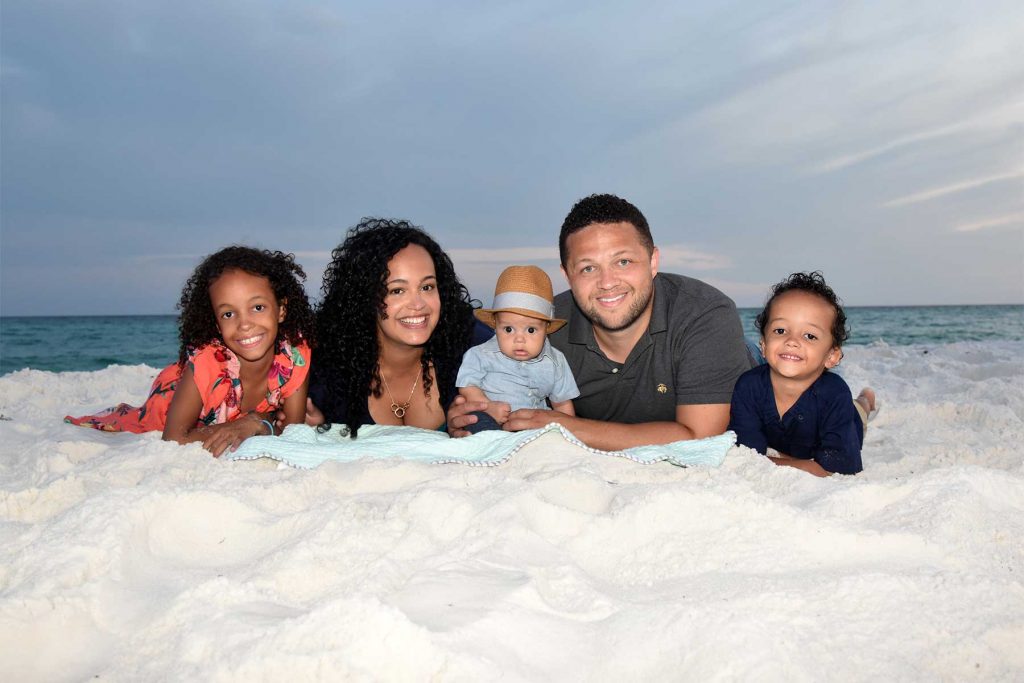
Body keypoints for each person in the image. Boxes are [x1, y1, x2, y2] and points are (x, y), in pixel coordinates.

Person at [449, 193, 753, 449]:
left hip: (741, 360)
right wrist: (470, 414)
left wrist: (565, 427)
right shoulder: (541, 327)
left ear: (653, 261)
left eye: (623, 261)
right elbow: (491, 381)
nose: (608, 282)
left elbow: (701, 439)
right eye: (588, 269)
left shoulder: (704, 314)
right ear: (567, 275)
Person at [65, 246, 315, 456]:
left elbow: (293, 429)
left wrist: (257, 422)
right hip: (169, 402)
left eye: (258, 307)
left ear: (281, 309)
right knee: (138, 421)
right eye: (229, 313)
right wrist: (251, 422)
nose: (245, 324)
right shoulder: (207, 363)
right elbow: (173, 439)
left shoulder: (295, 355)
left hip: (237, 415)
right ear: (217, 323)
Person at [308, 218, 489, 437]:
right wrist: (314, 432)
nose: (418, 304)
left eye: (427, 287)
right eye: (397, 290)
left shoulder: (474, 345)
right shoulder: (325, 369)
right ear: (365, 298)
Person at [728, 271, 875, 476]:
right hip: (792, 444)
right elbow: (747, 455)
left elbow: (841, 467)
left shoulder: (834, 394)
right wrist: (801, 463)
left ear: (831, 356)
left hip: (847, 419)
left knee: (859, 411)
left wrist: (781, 461)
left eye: (809, 336)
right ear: (763, 344)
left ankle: (867, 399)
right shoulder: (748, 386)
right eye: (780, 331)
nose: (792, 341)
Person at [456, 265, 579, 433]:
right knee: (476, 420)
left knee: (552, 430)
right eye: (508, 329)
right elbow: (467, 385)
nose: (519, 339)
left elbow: (562, 403)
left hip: (534, 425)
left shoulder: (556, 361)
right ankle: (492, 448)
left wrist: (569, 433)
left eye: (531, 330)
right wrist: (487, 407)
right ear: (496, 326)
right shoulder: (480, 354)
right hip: (491, 418)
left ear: (546, 330)